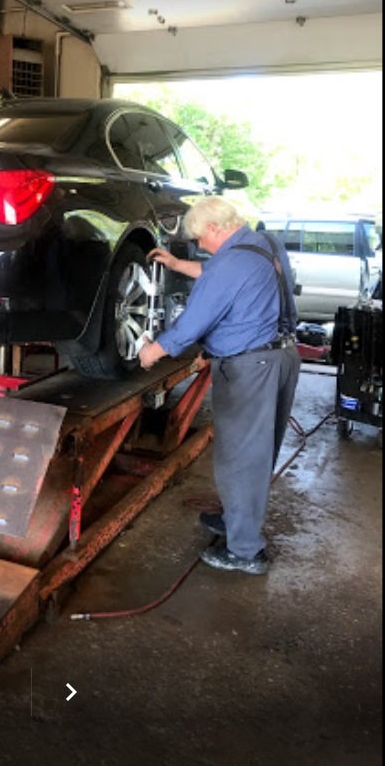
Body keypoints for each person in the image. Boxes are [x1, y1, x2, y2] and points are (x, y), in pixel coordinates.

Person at [137, 196, 300, 575]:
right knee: (257, 453)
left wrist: (153, 351)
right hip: (281, 358)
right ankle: (237, 521)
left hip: (251, 369)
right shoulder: (262, 244)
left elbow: (194, 321)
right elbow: (224, 275)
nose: (200, 245)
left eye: (200, 238)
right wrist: (178, 265)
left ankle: (245, 551)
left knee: (240, 459)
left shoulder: (229, 264)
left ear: (214, 227)